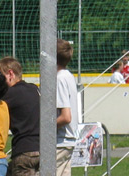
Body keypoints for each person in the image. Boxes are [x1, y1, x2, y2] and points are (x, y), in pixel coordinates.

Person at [0, 57, 40, 176]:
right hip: (42, 149)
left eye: (0, 78)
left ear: (10, 74)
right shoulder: (34, 89)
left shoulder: (9, 94)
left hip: (24, 151)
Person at [54, 40, 80, 176]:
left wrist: (44, 129)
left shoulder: (59, 79)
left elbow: (65, 117)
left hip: (60, 141)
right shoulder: (68, 75)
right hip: (68, 141)